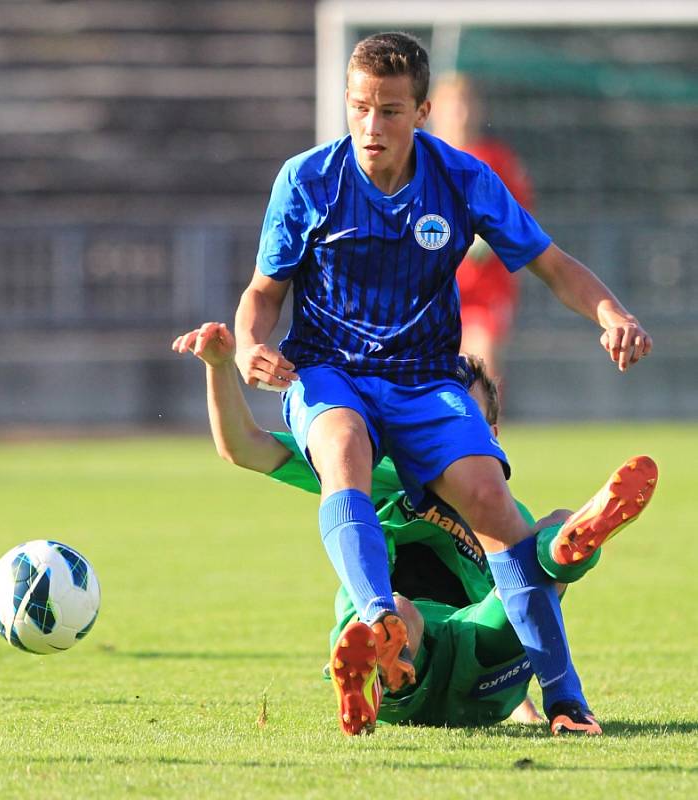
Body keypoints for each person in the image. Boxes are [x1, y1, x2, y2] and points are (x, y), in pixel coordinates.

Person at [232, 31, 653, 735]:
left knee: (491, 499)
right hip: (331, 370)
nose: (373, 126)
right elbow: (262, 293)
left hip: (427, 379)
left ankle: (566, 701)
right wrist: (248, 346)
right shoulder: (306, 180)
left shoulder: (462, 178)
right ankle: (375, 623)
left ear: (422, 109)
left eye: (391, 111)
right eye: (361, 107)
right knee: (342, 452)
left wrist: (610, 310)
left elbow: (549, 262)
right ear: (346, 101)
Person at [172, 322, 657, 735]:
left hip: (477, 665)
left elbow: (526, 620)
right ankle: (561, 551)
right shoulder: (365, 468)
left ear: (490, 434)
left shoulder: (497, 507)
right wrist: (219, 366)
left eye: (461, 418)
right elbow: (243, 446)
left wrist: (523, 695)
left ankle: (565, 544)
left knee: (536, 546)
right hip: (439, 666)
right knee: (407, 610)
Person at [430, 72, 534, 382]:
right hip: (430, 292)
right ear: (431, 110)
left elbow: (521, 220)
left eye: (465, 104)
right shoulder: (420, 159)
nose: (459, 113)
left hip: (484, 292)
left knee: (481, 368)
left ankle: (486, 430)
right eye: (451, 105)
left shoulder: (496, 161)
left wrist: (487, 236)